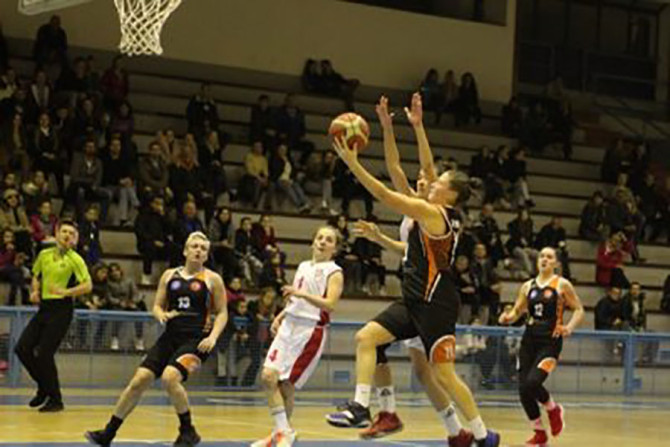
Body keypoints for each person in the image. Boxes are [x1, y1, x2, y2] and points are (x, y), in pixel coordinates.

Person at [326, 93, 499, 446]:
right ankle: (361, 406)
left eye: (438, 182)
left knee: (443, 375)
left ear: (449, 195)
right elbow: (411, 168)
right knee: (366, 338)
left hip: (436, 302)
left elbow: (385, 193)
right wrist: (408, 127)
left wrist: (352, 163)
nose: (430, 181)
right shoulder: (432, 206)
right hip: (414, 297)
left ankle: (483, 437)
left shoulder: (433, 212)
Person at [85, 232, 228, 447]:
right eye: (194, 246)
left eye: (203, 248)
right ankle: (108, 433)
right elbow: (157, 306)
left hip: (196, 341)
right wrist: (161, 314)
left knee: (170, 378)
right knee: (139, 380)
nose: (198, 251)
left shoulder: (212, 279)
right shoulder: (169, 275)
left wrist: (213, 337)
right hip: (170, 337)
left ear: (207, 255)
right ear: (185, 251)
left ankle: (187, 430)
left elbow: (223, 312)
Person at [251, 226, 344, 447]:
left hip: (309, 329)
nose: (322, 242)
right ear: (313, 242)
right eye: (319, 237)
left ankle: (281, 434)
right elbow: (295, 299)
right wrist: (281, 315)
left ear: (335, 248)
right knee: (268, 376)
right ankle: (283, 432)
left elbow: (330, 305)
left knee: (286, 385)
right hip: (289, 325)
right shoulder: (303, 266)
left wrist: (302, 294)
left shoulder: (334, 272)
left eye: (329, 240)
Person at [499, 247, 584, 446]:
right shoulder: (527, 286)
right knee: (523, 389)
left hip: (550, 342)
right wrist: (507, 318)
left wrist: (569, 327)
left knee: (532, 382)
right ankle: (539, 433)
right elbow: (517, 311)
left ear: (556, 263)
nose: (544, 259)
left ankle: (553, 409)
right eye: (542, 256)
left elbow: (579, 309)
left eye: (549, 257)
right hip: (529, 340)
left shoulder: (562, 284)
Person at [14, 220, 91, 412]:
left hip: (62, 310)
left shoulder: (76, 259)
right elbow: (36, 275)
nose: (67, 235)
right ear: (56, 233)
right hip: (44, 308)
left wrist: (66, 292)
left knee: (44, 353)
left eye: (71, 233)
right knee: (22, 348)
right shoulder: (44, 254)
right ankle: (44, 387)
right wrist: (34, 291)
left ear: (74, 239)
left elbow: (87, 285)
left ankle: (56, 399)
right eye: (64, 231)